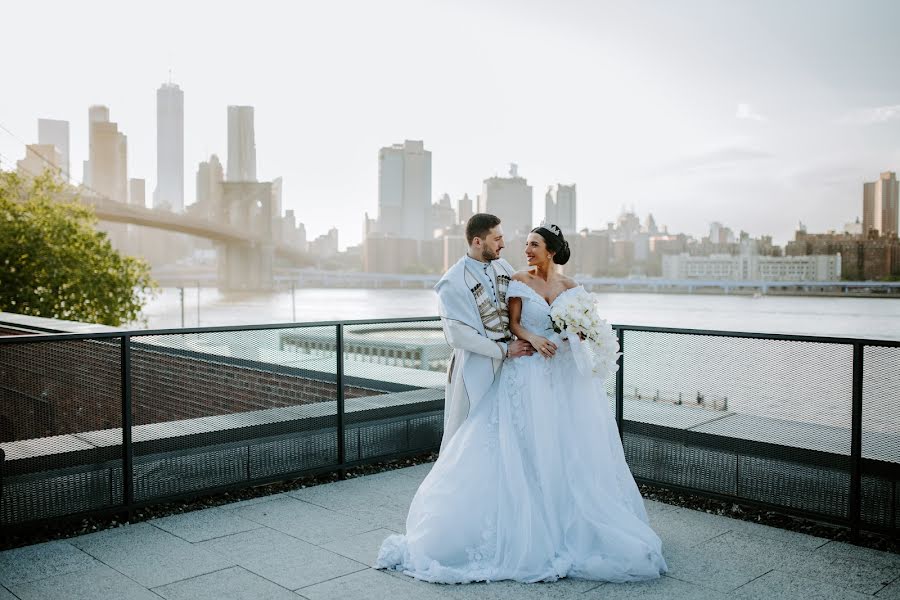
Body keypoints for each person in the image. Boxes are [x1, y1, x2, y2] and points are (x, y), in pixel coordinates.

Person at [376, 223, 667, 584]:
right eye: (519, 242)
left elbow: (585, 326)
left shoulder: (569, 287)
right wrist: (531, 338)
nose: (523, 249)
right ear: (479, 240)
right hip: (525, 370)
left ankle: (568, 522)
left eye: (533, 244)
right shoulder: (514, 278)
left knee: (568, 448)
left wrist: (576, 333)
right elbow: (513, 324)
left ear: (551, 251)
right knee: (521, 446)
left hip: (563, 377)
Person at [431, 213, 535, 452]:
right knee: (469, 431)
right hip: (474, 368)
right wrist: (505, 350)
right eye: (497, 238)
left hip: (513, 365)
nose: (503, 244)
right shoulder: (452, 282)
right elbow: (457, 335)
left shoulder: (503, 266)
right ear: (478, 241)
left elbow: (524, 302)